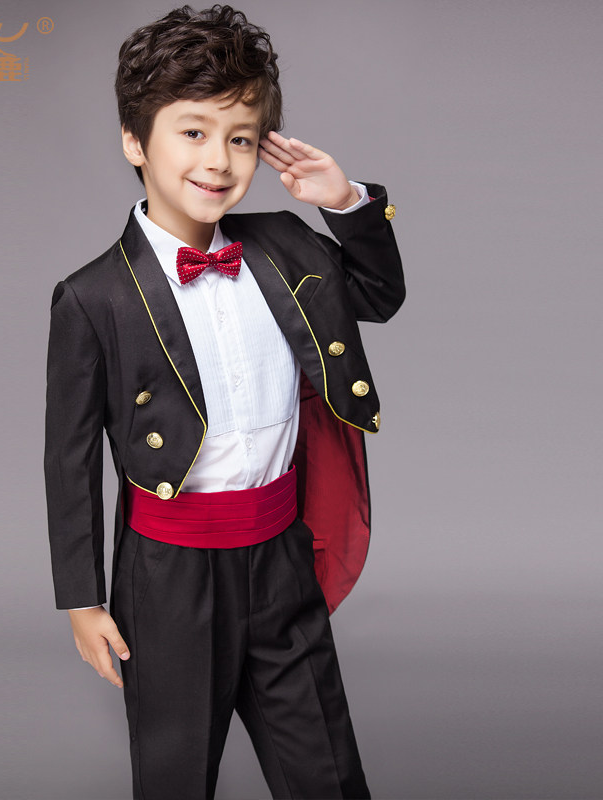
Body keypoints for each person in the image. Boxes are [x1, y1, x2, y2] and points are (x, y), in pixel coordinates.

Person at [43, 4, 404, 798]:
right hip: (167, 578)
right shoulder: (92, 297)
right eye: (193, 132)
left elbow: (379, 295)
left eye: (241, 138)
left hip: (282, 557)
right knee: (175, 779)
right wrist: (81, 600)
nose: (219, 159)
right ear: (135, 141)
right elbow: (68, 463)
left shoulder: (287, 243)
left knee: (329, 777)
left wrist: (343, 200)